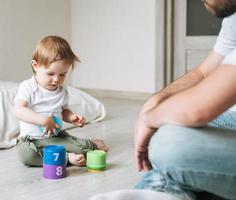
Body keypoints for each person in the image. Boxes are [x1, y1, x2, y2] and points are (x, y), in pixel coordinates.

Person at [91, 0, 236, 200]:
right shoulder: (233, 18)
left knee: (171, 144)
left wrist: (150, 118)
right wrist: (156, 101)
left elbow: (198, 110)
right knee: (168, 127)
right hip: (232, 118)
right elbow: (204, 72)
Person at [13, 36, 108, 167]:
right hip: (32, 140)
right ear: (35, 66)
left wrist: (72, 117)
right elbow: (19, 110)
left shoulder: (61, 90)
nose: (56, 80)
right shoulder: (28, 87)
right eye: (50, 74)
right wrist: (42, 120)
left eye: (62, 74)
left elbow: (63, 111)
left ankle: (91, 144)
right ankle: (67, 159)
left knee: (83, 148)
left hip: (56, 138)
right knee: (26, 155)